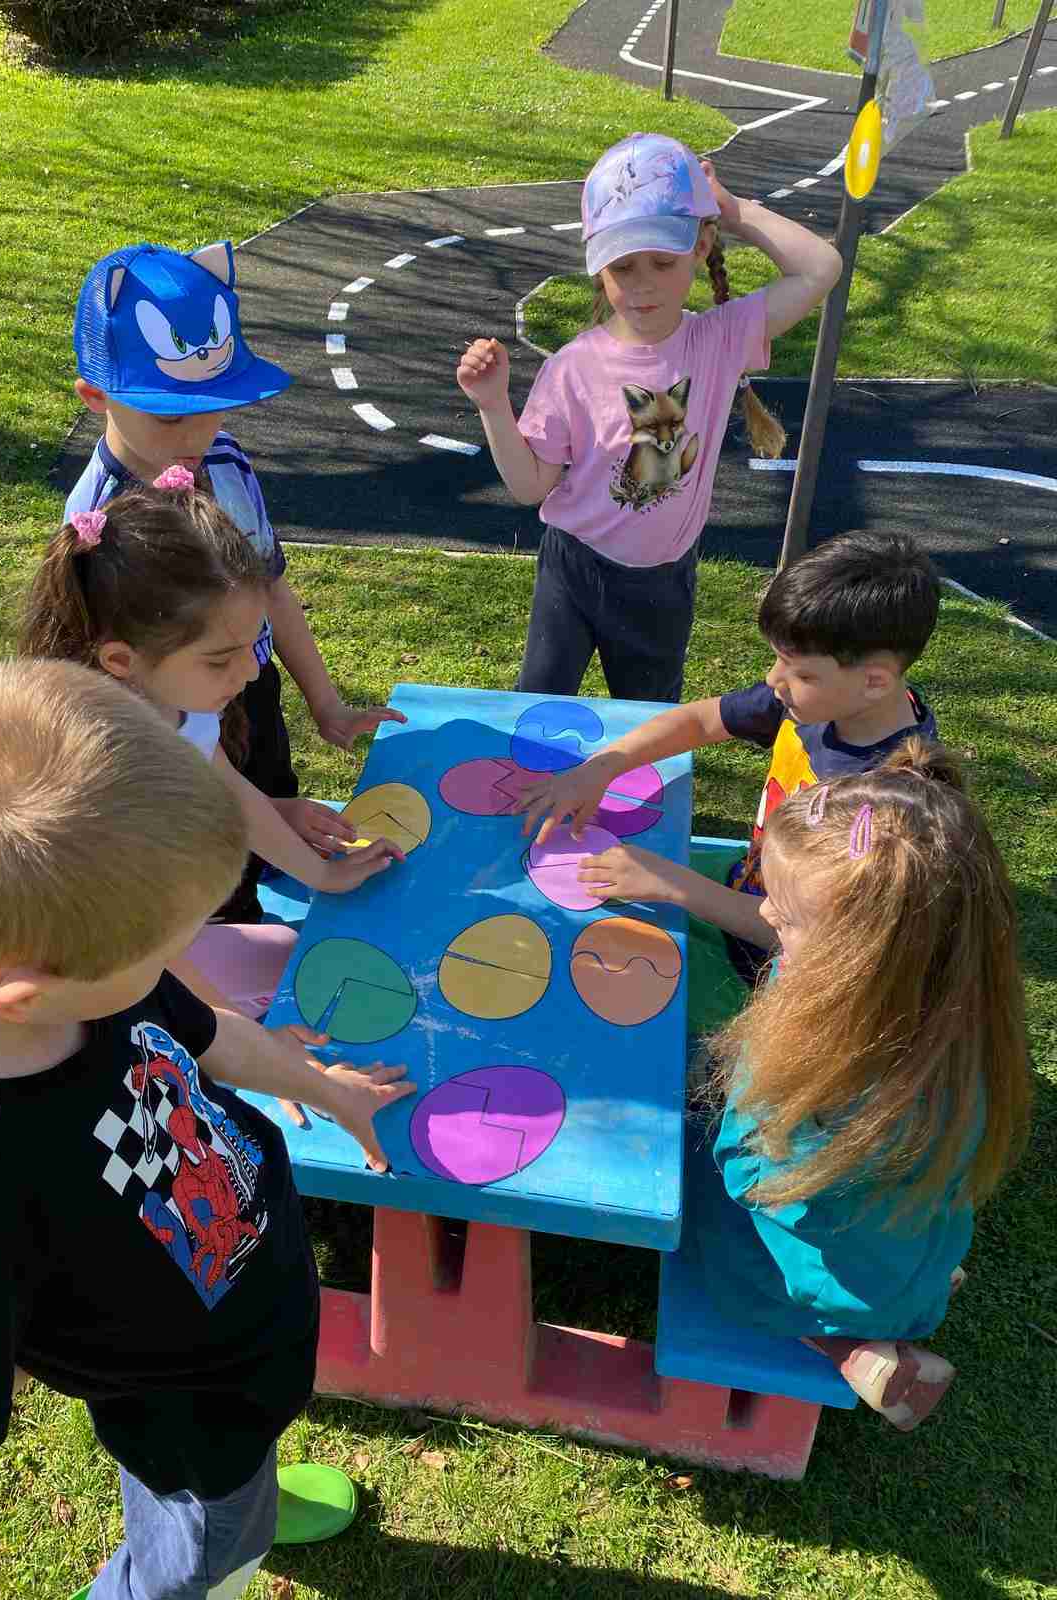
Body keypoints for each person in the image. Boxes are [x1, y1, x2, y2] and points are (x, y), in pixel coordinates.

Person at [0, 659, 415, 1599]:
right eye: (161, 953)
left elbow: (212, 1033)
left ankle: (250, 1496)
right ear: (27, 991)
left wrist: (328, 1089)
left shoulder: (82, 972)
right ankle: (221, 1536)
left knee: (234, 1496)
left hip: (243, 1340)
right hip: (188, 1422)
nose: (171, 971)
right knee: (200, 1561)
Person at [684, 741, 1031, 1428]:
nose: (768, 917)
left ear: (860, 954)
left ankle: (846, 1348)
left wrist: (725, 1096)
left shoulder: (837, 1069)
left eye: (787, 915)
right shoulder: (960, 1016)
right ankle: (901, 1301)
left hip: (828, 1283)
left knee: (696, 1182)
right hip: (913, 1253)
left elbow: (751, 1179)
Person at [67, 237, 406, 915]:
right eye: (171, 413)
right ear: (95, 396)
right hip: (161, 735)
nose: (197, 435)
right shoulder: (97, 523)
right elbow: (174, 748)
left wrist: (323, 705)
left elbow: (270, 587)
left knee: (263, 836)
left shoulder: (225, 462)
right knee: (213, 891)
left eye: (215, 404)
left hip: (244, 694)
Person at [456, 132, 841, 704]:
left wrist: (733, 209)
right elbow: (530, 486)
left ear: (701, 246)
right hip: (573, 568)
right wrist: (493, 405)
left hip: (663, 583)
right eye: (622, 267)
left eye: (663, 261)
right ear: (600, 269)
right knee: (537, 708)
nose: (643, 284)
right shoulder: (572, 367)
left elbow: (821, 267)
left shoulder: (720, 340)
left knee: (648, 720)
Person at [518, 531, 942, 1033]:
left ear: (875, 681)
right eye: (778, 658)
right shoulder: (827, 702)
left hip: (763, 973)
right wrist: (601, 767)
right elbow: (701, 721)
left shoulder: (882, 807)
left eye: (799, 672)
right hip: (744, 885)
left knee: (585, 990)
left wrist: (669, 883)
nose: (773, 681)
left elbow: (809, 936)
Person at [19, 477, 402, 1023]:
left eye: (251, 645)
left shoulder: (180, 707)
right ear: (122, 661)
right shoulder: (104, 776)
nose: (250, 672)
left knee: (303, 962)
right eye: (221, 659)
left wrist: (322, 875)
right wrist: (239, 1036)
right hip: (97, 988)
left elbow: (228, 788)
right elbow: (143, 954)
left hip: (170, 943)